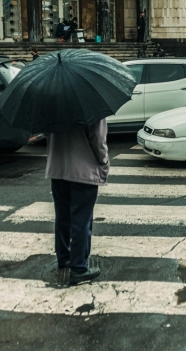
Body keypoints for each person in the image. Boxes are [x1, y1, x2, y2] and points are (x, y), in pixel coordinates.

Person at [46, 119, 110, 286]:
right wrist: (104, 161)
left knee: (63, 216)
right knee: (82, 220)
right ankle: (79, 268)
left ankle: (64, 258)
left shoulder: (51, 103)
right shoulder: (92, 104)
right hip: (83, 169)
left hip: (57, 167)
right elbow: (98, 138)